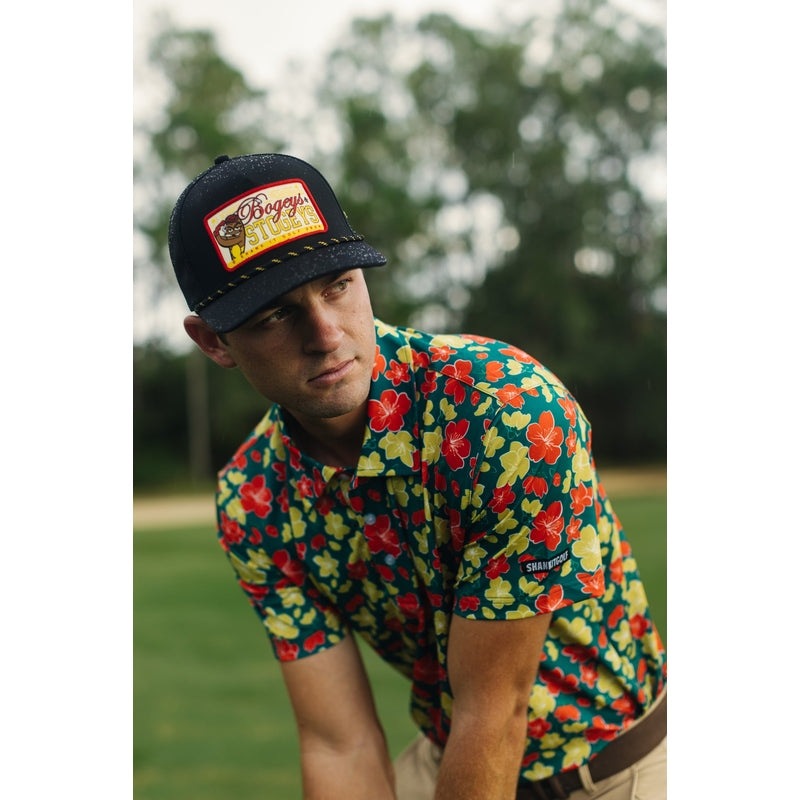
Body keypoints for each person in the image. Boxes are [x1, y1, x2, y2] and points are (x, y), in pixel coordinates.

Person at [167, 152, 667, 800]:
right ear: (213, 341)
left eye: (337, 285)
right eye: (274, 315)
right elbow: (339, 744)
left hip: (621, 767)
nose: (326, 334)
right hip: (449, 757)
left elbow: (496, 711)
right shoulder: (254, 499)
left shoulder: (507, 414)